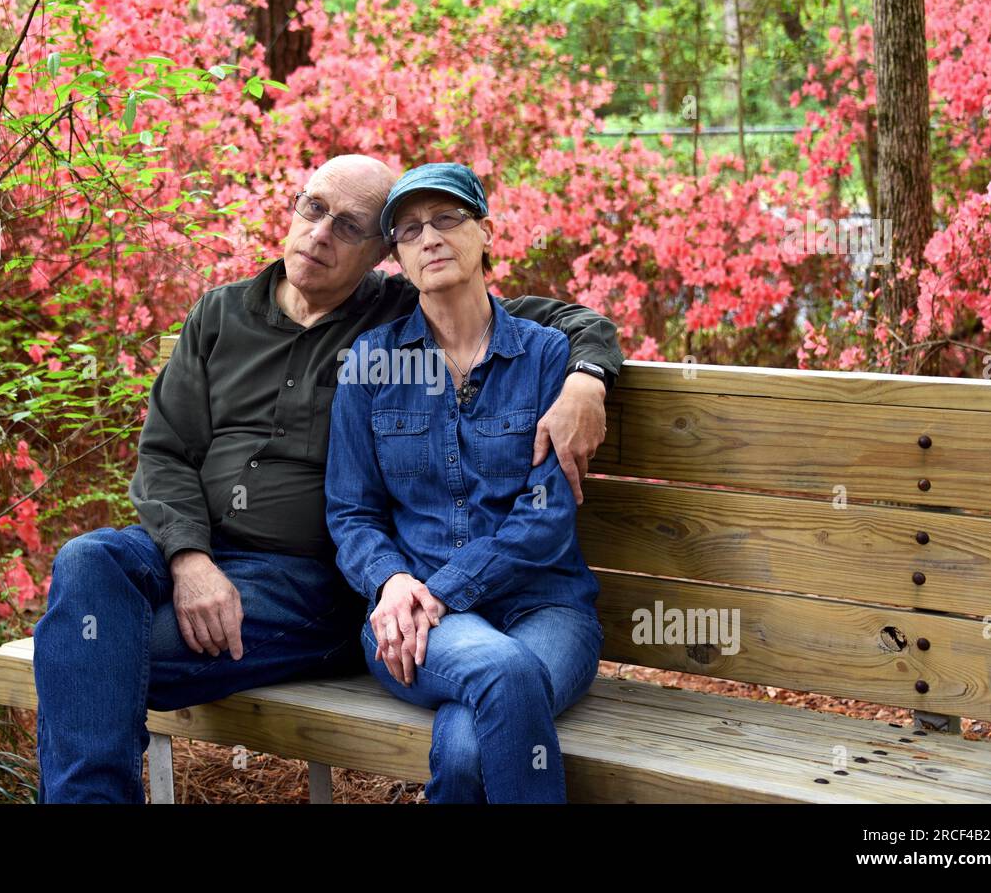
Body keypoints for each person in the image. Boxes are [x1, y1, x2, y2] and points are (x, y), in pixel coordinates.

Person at [33, 155, 622, 802]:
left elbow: (560, 322)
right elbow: (166, 452)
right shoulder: (221, 314)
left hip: (308, 584)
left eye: (348, 226)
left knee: (87, 650)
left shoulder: (400, 314)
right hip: (201, 555)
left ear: (378, 253)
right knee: (88, 562)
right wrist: (189, 556)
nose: (319, 234)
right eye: (312, 208)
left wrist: (587, 378)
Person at [325, 162, 605, 803]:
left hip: (544, 607)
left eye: (448, 219)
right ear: (394, 254)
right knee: (499, 672)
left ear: (486, 232)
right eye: (410, 228)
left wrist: (445, 592)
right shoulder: (372, 363)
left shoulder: (544, 357)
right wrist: (394, 584)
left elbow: (544, 514)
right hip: (407, 614)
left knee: (466, 749)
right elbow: (351, 511)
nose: (430, 237)